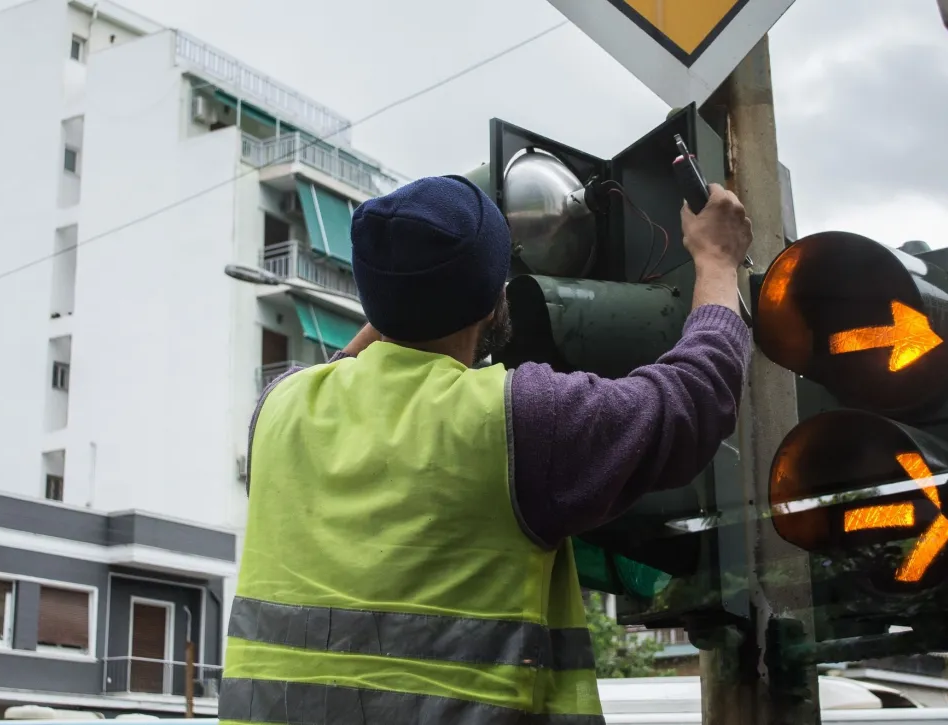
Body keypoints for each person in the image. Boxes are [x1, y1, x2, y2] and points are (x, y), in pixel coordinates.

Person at [220, 175, 753, 725]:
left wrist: (407, 289)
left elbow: (343, 366)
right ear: (492, 296)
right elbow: (695, 397)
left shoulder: (278, 409)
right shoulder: (517, 418)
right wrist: (716, 261)